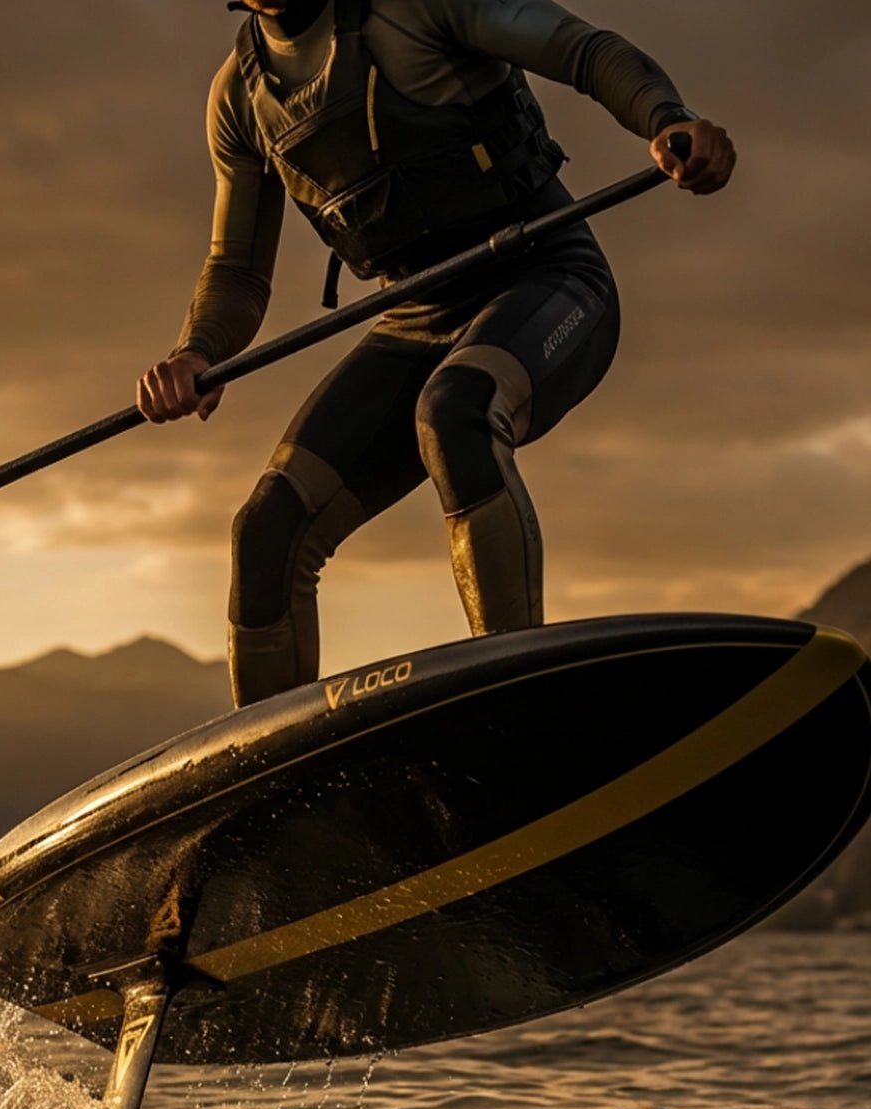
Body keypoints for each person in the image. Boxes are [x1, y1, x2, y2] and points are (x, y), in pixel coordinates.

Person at [137, 0, 735, 707]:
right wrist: (196, 350)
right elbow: (237, 273)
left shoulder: (417, 7)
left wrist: (666, 118)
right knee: (267, 528)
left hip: (547, 275)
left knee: (455, 410)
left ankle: (513, 697)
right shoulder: (239, 96)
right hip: (414, 319)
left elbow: (586, 50)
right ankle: (273, 782)